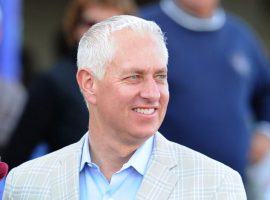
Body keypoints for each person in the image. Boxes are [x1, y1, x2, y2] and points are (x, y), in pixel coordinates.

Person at [3, 15, 246, 200]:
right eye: (134, 77)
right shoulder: (26, 183)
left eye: (160, 76)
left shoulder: (217, 185)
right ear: (89, 83)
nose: (152, 93)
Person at [140, 0, 270, 178]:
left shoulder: (239, 35)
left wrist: (265, 131)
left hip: (233, 184)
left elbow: (266, 91)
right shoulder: (143, 29)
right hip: (164, 181)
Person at [1, 0, 137, 169]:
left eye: (110, 25)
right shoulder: (52, 82)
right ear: (74, 28)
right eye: (90, 24)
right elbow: (15, 157)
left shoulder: (141, 79)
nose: (99, 33)